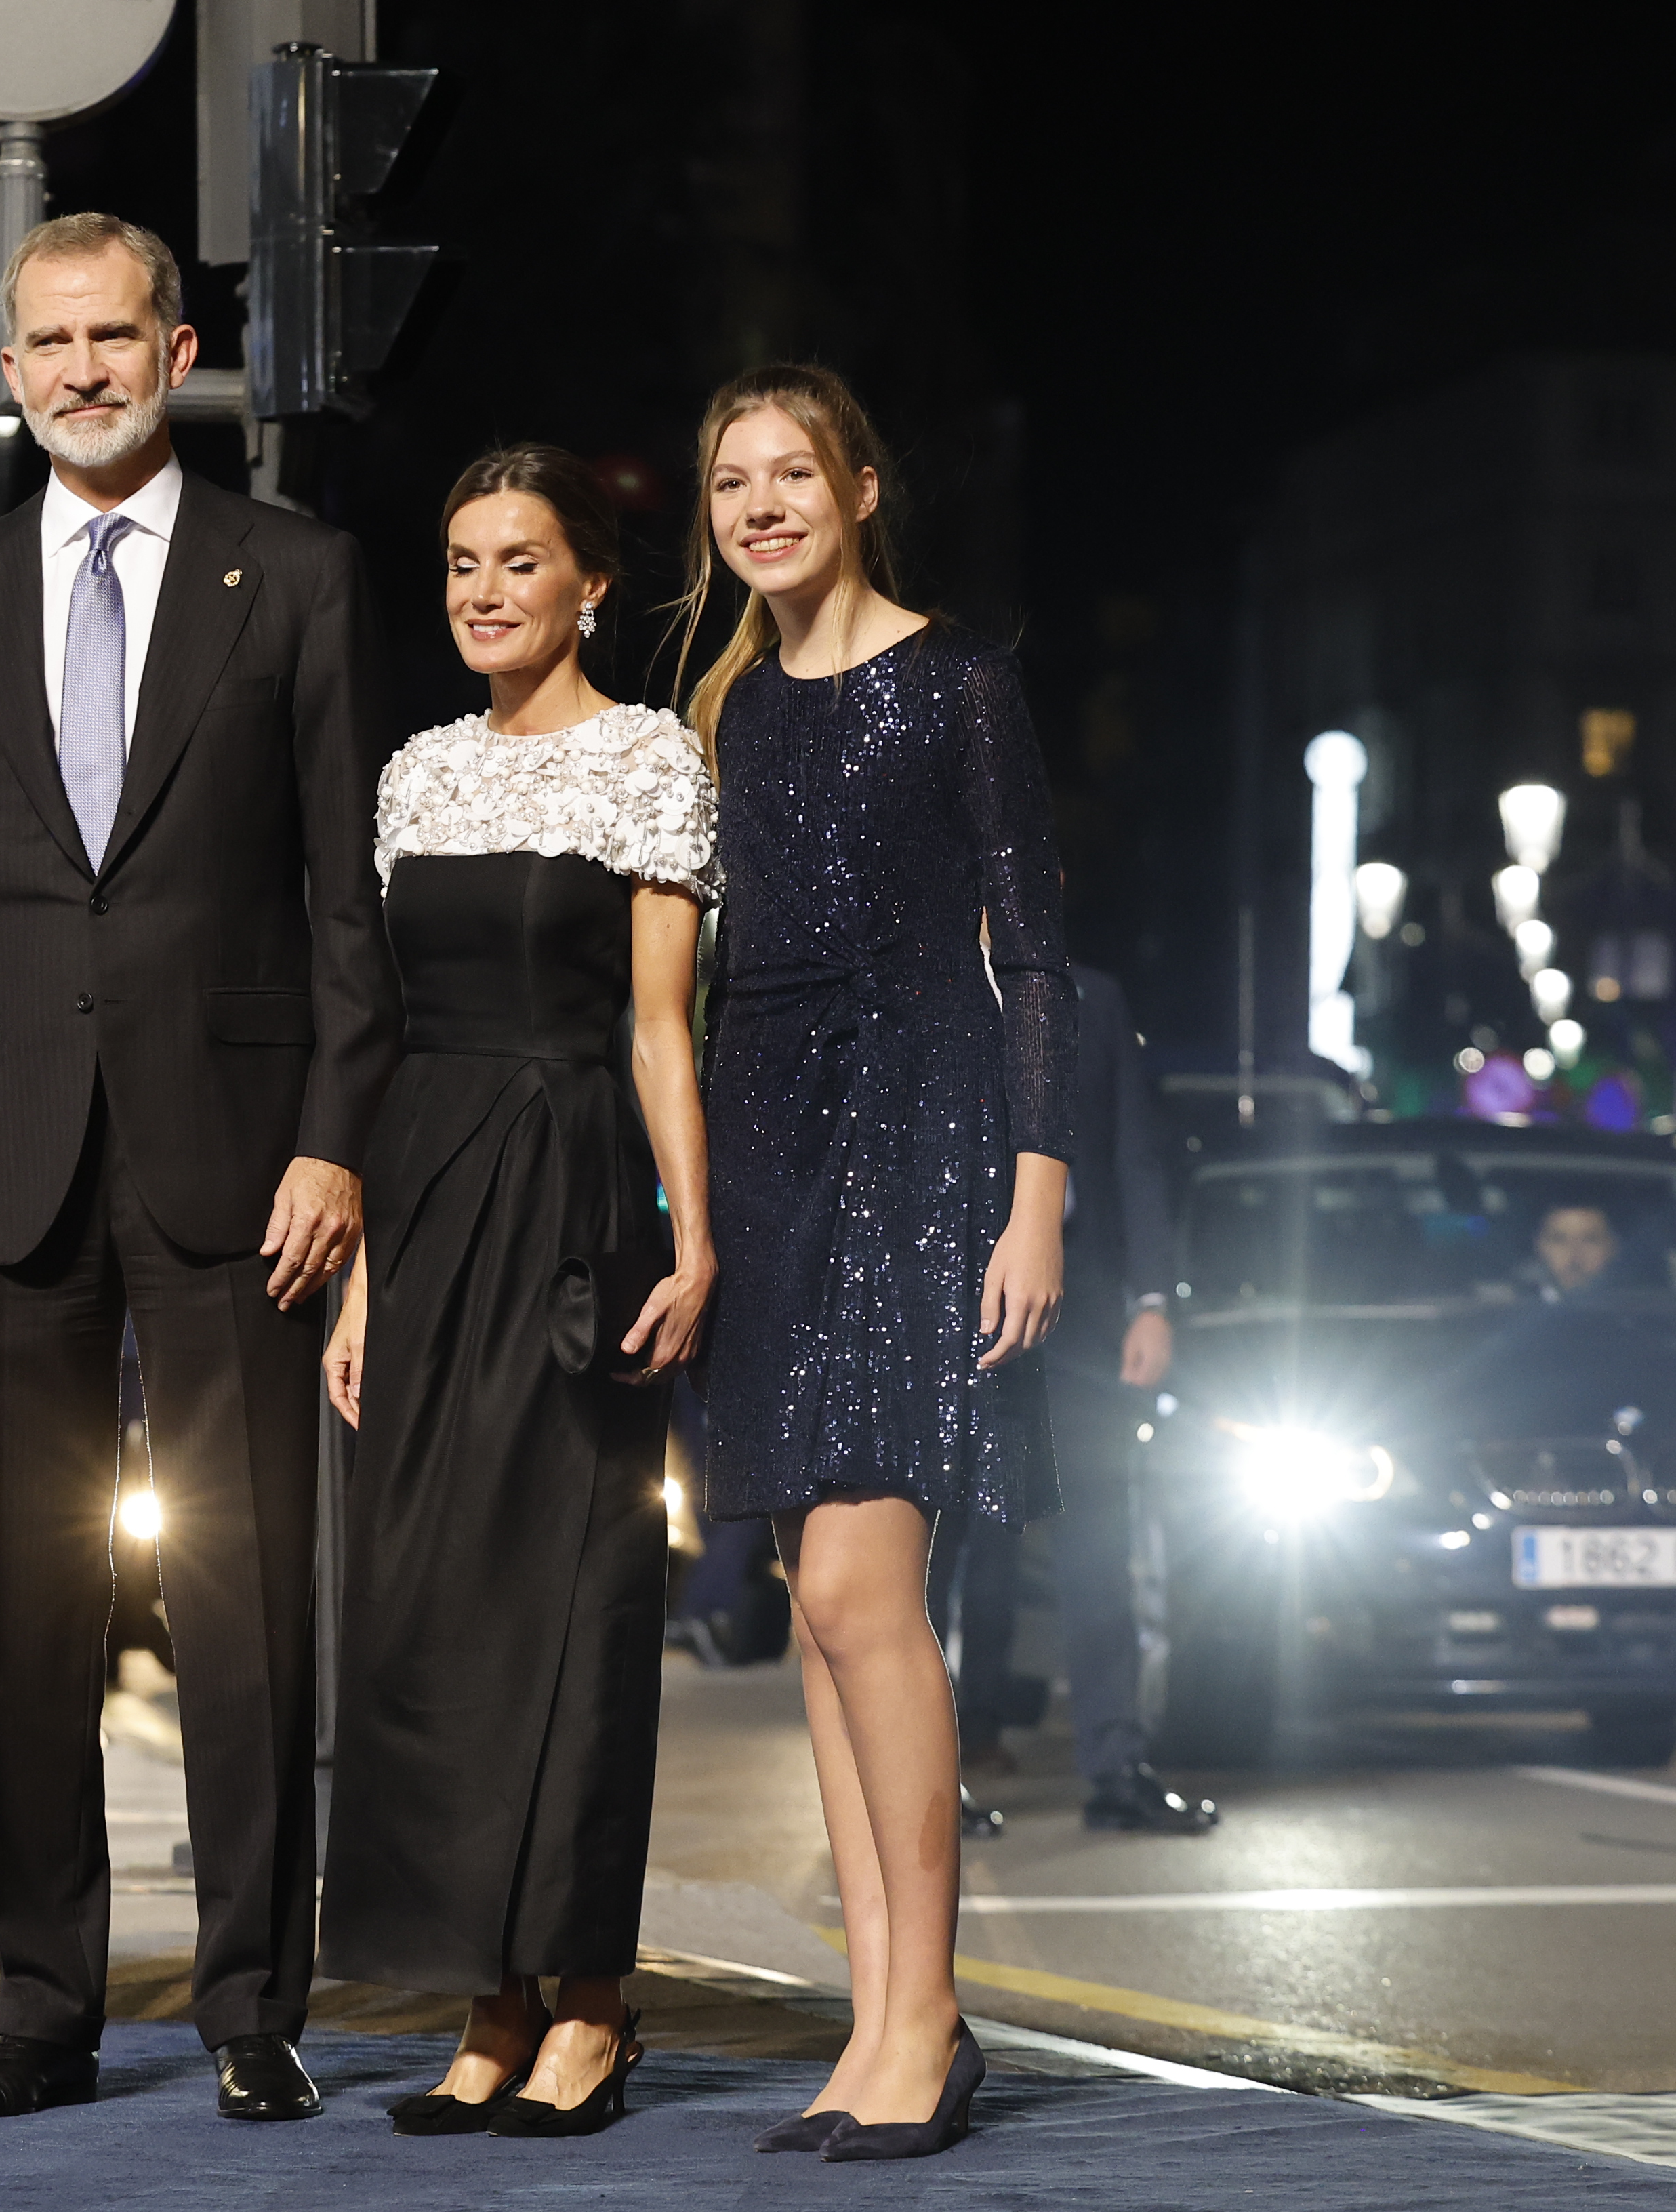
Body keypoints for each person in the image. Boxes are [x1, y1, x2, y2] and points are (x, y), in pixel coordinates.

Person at [0, 211, 398, 2125]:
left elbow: (346, 903)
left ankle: (255, 2003)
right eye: (43, 340)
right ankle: (44, 2008)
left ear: (178, 354)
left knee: (249, 1602)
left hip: (242, 1164)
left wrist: (337, 1135)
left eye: (111, 336)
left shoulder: (299, 579)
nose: (77, 368)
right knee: (25, 1615)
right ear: (9, 368)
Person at [679, 365, 1071, 2161]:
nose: (763, 505)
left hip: (920, 1144)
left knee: (862, 1599)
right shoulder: (729, 711)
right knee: (812, 1619)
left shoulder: (959, 683)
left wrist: (1039, 1188)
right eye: (732, 481)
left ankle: (931, 2018)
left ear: (858, 485)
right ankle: (878, 2020)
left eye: (792, 474)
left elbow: (1035, 952)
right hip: (767, 1153)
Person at [318, 445, 718, 2138]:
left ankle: (590, 2001)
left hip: (572, 1200)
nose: (486, 590)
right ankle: (483, 1998)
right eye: (464, 561)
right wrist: (349, 1287)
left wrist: (692, 1240)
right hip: (419, 1204)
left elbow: (654, 1027)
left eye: (521, 561)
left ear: (590, 585)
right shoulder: (413, 774)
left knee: (575, 1603)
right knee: (422, 1615)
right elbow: (385, 1033)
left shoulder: (647, 762)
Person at [1051, 959, 1217, 1834]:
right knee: (958, 1557)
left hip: (1082, 1311)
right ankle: (938, 1771)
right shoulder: (930, 977)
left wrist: (1151, 1301)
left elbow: (1135, 1153)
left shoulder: (1094, 997)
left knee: (1100, 1540)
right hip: (957, 1305)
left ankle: (1117, 1765)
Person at [1535, 1204, 1620, 1299]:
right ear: (1541, 1246)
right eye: (1559, 1239)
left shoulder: (1633, 1305)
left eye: (1590, 1239)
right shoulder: (1518, 1305)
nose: (1574, 1255)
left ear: (1612, 1246)